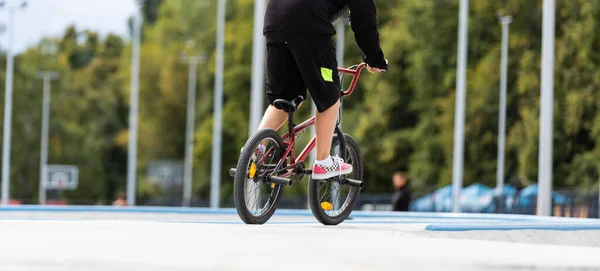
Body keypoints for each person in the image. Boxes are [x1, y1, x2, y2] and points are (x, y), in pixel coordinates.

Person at [259, 0, 389, 180]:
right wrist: (375, 60)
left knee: (284, 98)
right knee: (329, 97)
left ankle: (255, 148)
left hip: (273, 22)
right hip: (308, 27)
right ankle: (323, 162)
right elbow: (364, 22)